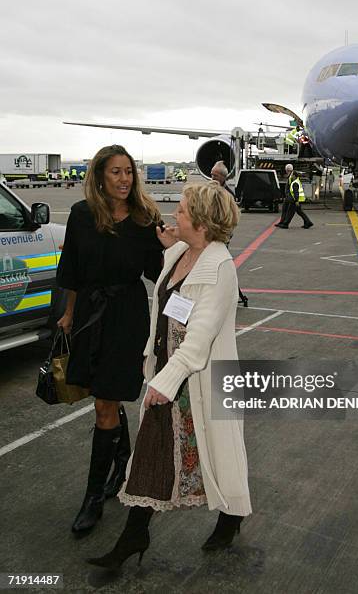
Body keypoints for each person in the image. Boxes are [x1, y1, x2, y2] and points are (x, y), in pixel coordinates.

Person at [87, 182, 252, 570]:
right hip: (166, 374)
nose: (174, 215)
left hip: (195, 381)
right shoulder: (180, 252)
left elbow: (198, 340)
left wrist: (164, 383)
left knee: (221, 457)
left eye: (181, 210)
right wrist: (172, 241)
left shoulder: (220, 269)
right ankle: (134, 534)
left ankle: (231, 516)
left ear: (202, 221)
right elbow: (170, 298)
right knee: (151, 454)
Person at [56, 144, 164, 535]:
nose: (124, 179)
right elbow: (71, 268)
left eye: (128, 172)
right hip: (89, 313)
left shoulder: (143, 218)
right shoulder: (82, 215)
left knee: (106, 401)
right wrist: (68, 314)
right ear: (100, 176)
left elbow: (160, 272)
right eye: (116, 172)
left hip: (127, 317)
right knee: (100, 392)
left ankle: (93, 498)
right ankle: (121, 457)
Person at [210, 160, 248, 307]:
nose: (211, 178)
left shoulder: (227, 196)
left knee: (221, 267)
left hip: (220, 236)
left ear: (222, 177)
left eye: (214, 176)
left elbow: (230, 220)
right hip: (212, 235)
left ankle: (228, 294)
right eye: (211, 175)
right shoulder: (213, 191)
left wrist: (223, 235)